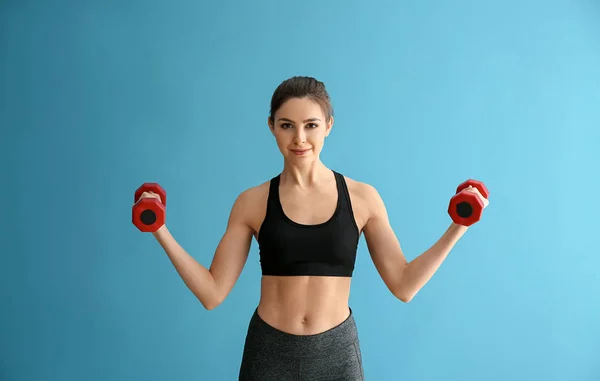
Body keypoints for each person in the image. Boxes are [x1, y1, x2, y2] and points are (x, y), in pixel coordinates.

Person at [138, 76, 489, 380]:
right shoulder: (252, 202)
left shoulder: (363, 198)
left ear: (329, 125)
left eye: (311, 125)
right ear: (271, 126)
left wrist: (459, 226)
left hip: (336, 354)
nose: (299, 138)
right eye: (286, 124)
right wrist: (160, 230)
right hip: (269, 352)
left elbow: (403, 284)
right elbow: (212, 293)